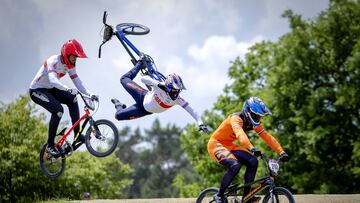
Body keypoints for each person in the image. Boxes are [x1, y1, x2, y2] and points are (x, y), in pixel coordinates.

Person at [207, 97, 290, 203]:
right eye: (256, 116)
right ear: (248, 112)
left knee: (253, 161)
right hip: (216, 145)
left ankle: (247, 197)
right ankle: (219, 194)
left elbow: (267, 137)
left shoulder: (253, 123)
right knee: (235, 165)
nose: (258, 119)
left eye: (259, 116)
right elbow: (239, 134)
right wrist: (251, 148)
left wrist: (281, 152)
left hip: (229, 146)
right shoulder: (236, 118)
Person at [29, 39, 97, 156]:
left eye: (77, 57)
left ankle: (77, 135)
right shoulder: (53, 61)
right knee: (58, 111)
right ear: (66, 54)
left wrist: (89, 94)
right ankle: (50, 145)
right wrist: (67, 88)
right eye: (74, 56)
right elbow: (53, 80)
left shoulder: (70, 65)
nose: (75, 59)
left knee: (73, 99)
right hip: (37, 90)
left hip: (51, 89)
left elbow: (78, 82)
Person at [111, 60, 208, 132]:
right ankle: (140, 63)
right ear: (169, 86)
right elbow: (143, 79)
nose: (176, 93)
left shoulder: (178, 100)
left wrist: (201, 123)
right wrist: (157, 84)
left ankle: (119, 105)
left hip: (144, 111)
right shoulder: (161, 85)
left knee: (118, 116)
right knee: (123, 79)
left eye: (178, 90)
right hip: (141, 95)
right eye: (175, 90)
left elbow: (193, 111)